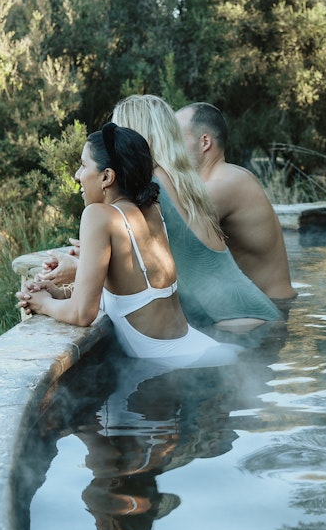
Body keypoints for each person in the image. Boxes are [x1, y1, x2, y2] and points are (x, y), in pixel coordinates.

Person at [39, 95, 282, 329]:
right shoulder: (180, 179)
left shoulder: (152, 187)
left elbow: (140, 271)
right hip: (253, 315)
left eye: (118, 132)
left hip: (237, 324)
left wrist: (80, 267)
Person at [16, 122, 239, 366]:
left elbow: (82, 314)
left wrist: (44, 304)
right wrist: (63, 293)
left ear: (107, 177)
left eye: (83, 165)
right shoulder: (151, 209)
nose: (78, 176)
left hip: (177, 365)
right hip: (205, 351)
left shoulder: (98, 216)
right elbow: (128, 285)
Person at [175, 102, 296, 303]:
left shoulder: (223, 186)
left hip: (269, 314)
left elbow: (167, 237)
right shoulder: (232, 175)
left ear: (205, 142)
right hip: (267, 306)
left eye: (176, 138)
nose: (171, 147)